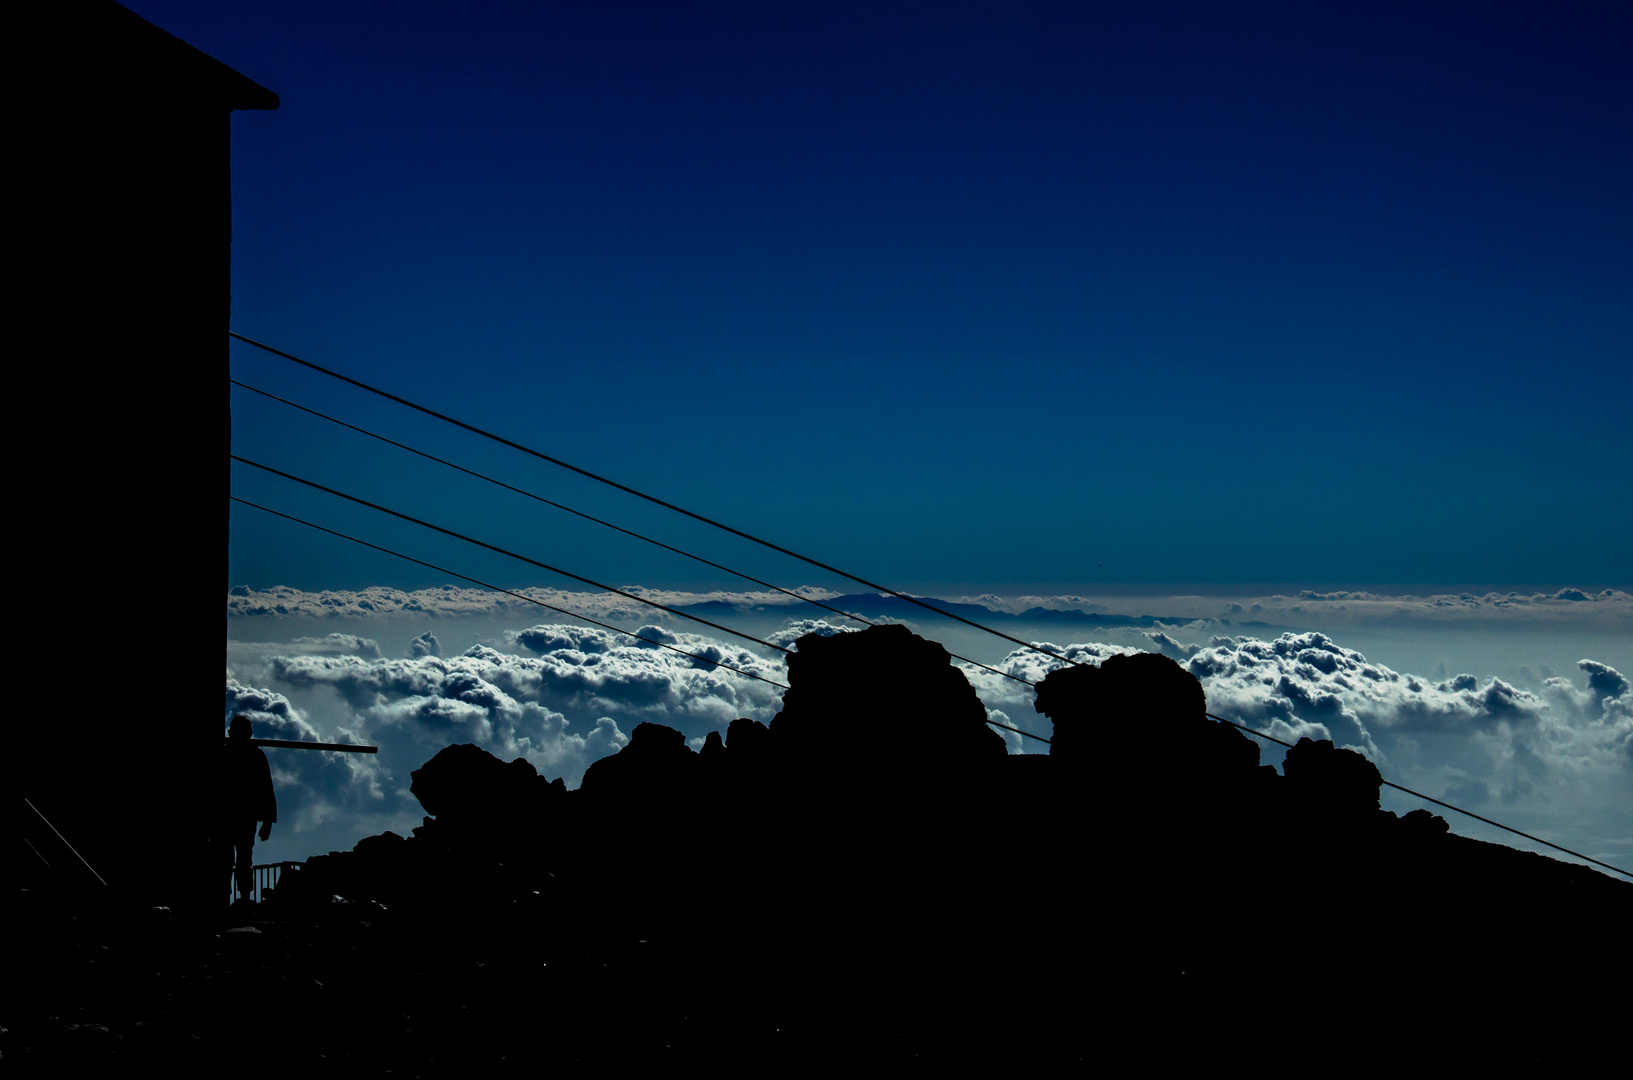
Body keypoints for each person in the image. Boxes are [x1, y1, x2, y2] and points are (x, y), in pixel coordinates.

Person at [224, 714, 277, 904]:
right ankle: (233, 898)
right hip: (231, 817)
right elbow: (267, 789)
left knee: (241, 860)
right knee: (234, 860)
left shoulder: (253, 756)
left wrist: (268, 821)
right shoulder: (247, 755)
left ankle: (241, 898)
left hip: (240, 817)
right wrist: (267, 821)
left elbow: (266, 789)